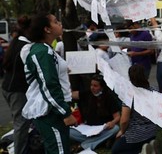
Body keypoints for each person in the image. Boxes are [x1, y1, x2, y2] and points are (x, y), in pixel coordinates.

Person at [21, 13, 77, 154]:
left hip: (54, 110)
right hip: (50, 112)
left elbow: (49, 76)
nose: (60, 24)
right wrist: (65, 112)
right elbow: (49, 86)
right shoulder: (42, 52)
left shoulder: (46, 49)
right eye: (56, 22)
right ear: (47, 29)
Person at [2, 16, 32, 154]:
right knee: (21, 123)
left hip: (8, 87)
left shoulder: (17, 41)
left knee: (21, 122)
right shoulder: (25, 46)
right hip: (17, 90)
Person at [112, 64, 157, 154]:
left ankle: (140, 152)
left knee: (116, 151)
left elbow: (124, 120)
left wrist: (122, 131)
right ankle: (149, 146)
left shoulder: (129, 95)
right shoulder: (155, 91)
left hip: (135, 135)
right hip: (152, 132)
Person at [70, 74, 120, 151]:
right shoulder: (87, 93)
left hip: (102, 130)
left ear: (102, 87)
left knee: (115, 129)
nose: (92, 87)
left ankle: (84, 145)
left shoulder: (109, 97)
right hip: (87, 130)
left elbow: (117, 117)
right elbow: (71, 94)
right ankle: (99, 142)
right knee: (68, 131)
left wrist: (112, 122)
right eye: (91, 85)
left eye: (95, 86)